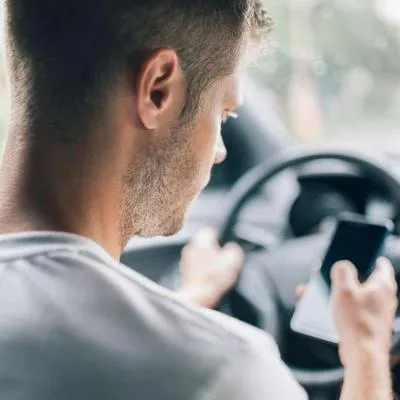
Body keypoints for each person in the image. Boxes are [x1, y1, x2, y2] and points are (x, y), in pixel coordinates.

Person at [0, 1, 397, 399]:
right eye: (224, 113)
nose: (220, 149)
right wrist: (365, 349)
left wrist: (187, 301)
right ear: (157, 88)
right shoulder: (222, 369)